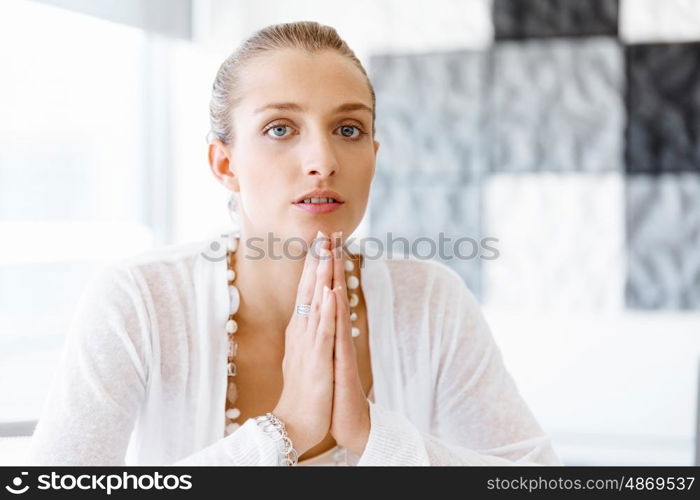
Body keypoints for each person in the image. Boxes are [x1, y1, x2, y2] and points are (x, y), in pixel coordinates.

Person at [25, 21, 562, 466]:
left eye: (348, 130)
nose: (322, 161)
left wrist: (375, 436)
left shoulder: (431, 300)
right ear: (225, 163)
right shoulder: (138, 301)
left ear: (374, 154)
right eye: (280, 128)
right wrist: (284, 431)